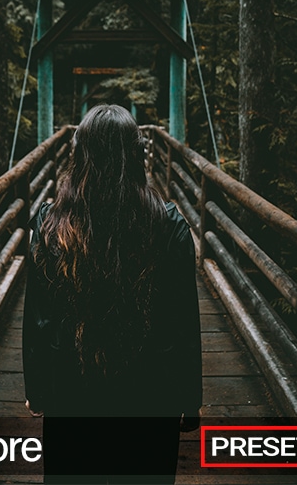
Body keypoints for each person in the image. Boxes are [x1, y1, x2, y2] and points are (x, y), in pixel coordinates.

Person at [23, 104, 202, 483]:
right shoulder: (170, 227)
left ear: (79, 155)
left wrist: (37, 387)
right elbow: (180, 323)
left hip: (71, 392)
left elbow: (39, 315)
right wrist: (189, 399)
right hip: (150, 396)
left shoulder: (49, 223)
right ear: (137, 155)